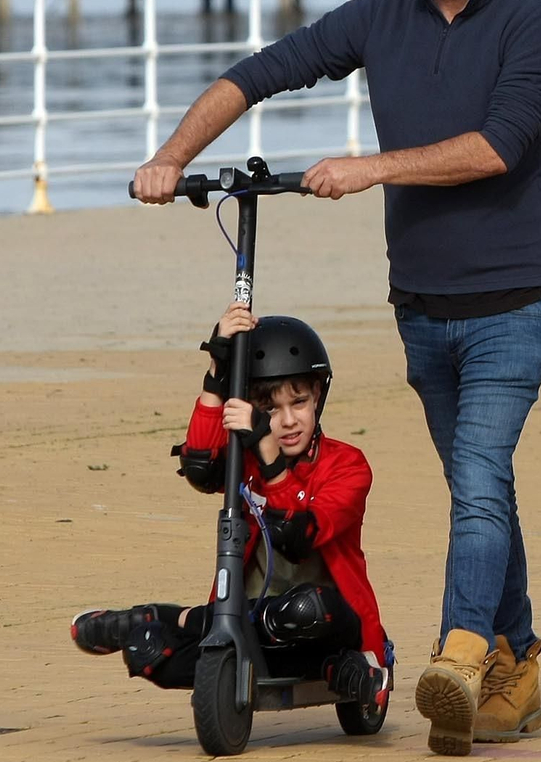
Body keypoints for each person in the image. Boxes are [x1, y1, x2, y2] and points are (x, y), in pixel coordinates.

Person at [131, 0, 541, 756]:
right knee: (479, 485)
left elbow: (497, 146)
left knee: (478, 477)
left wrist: (370, 168)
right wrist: (172, 156)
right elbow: (262, 71)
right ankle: (518, 663)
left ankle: (459, 657)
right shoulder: (384, 12)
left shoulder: (533, 21)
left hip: (515, 297)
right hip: (422, 302)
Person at [70, 304, 391, 712]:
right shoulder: (246, 460)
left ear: (318, 397)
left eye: (299, 402)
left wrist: (271, 458)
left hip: (326, 625)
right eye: (270, 409)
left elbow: (296, 536)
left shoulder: (347, 465)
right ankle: (145, 623)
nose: (288, 421)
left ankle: (166, 616)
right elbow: (200, 464)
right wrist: (217, 372)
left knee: (301, 609)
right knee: (147, 651)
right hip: (250, 631)